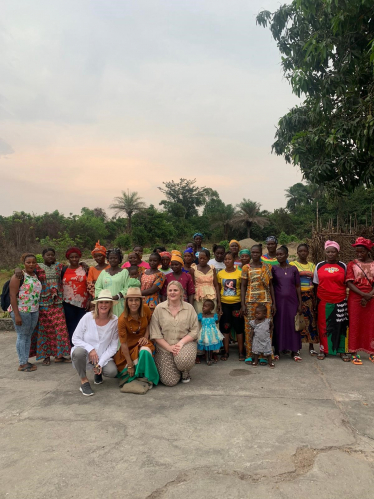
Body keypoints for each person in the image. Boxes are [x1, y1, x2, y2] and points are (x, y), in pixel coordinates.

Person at [24, 248, 71, 365]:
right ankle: (46, 356)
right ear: (43, 256)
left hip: (57, 302)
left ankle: (59, 355)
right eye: (47, 255)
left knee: (60, 329)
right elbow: (25, 271)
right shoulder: (37, 267)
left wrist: (83, 264)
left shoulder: (60, 266)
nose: (50, 257)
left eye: (52, 255)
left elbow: (73, 266)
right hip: (43, 303)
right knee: (44, 330)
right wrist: (17, 270)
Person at [71, 290, 119, 397]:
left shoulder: (114, 321)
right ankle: (84, 381)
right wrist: (90, 349)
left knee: (112, 372)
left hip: (102, 355)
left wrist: (100, 363)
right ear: (97, 304)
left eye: (106, 302)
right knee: (78, 353)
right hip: (86, 353)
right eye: (101, 302)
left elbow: (113, 346)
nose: (103, 305)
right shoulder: (87, 317)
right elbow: (75, 338)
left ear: (111, 305)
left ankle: (98, 371)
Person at [150, 281, 199, 386]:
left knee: (183, 361)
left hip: (184, 344)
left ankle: (184, 371)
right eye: (170, 290)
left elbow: (195, 330)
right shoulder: (159, 308)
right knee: (170, 382)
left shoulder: (189, 308)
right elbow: (155, 332)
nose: (172, 293)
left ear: (181, 292)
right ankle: (176, 368)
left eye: (175, 290)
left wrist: (180, 343)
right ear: (167, 292)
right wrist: (169, 348)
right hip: (164, 346)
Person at [114, 280, 159, 393]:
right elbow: (123, 343)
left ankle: (149, 378)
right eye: (131, 300)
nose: (134, 303)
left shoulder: (146, 309)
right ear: (127, 302)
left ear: (140, 301)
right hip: (128, 348)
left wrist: (146, 336)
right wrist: (129, 365)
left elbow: (148, 323)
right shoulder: (122, 320)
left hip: (142, 342)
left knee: (145, 351)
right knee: (127, 372)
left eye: (136, 300)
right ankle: (138, 374)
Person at [314, 241, 350, 361]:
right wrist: (316, 301)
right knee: (324, 326)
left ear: (337, 252)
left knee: (341, 325)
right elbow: (316, 284)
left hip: (340, 300)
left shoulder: (343, 266)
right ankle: (324, 350)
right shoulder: (318, 266)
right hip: (323, 301)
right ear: (325, 252)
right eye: (328, 251)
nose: (330, 254)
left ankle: (342, 351)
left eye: (333, 251)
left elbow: (346, 282)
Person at [241, 244, 275, 364]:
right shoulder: (246, 267)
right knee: (250, 328)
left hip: (265, 301)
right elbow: (243, 285)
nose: (255, 254)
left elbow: (270, 286)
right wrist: (243, 305)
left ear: (261, 253)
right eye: (253, 252)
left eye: (257, 252)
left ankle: (264, 355)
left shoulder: (267, 267)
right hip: (250, 302)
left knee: (266, 329)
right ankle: (250, 354)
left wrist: (273, 304)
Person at [8, 253, 42, 372]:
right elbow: (12, 296)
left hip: (33, 310)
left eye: (33, 262)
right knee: (22, 336)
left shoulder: (35, 275)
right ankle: (22, 363)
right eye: (28, 262)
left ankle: (25, 360)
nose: (31, 264)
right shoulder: (18, 276)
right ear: (24, 263)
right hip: (21, 311)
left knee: (28, 336)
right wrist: (16, 315)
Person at [346, 237, 374, 364]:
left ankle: (371, 350)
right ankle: (353, 351)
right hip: (355, 297)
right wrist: (363, 294)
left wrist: (369, 295)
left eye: (362, 251)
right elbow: (349, 283)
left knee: (370, 324)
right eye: (357, 252)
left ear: (368, 251)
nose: (359, 254)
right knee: (355, 323)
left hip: (371, 297)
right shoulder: (352, 264)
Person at [272, 246, 303, 361]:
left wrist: (300, 303)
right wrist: (273, 303)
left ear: (287, 255)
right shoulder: (274, 269)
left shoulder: (293, 269)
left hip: (292, 302)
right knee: (278, 324)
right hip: (279, 302)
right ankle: (277, 350)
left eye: (281, 254)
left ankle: (294, 350)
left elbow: (298, 286)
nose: (279, 256)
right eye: (277, 254)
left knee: (292, 324)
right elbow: (272, 286)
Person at [290, 244, 319, 355]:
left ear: (308, 252)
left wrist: (315, 298)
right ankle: (297, 346)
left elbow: (315, 283)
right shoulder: (292, 265)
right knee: (297, 320)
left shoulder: (313, 266)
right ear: (297, 252)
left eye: (305, 251)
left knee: (311, 321)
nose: (303, 253)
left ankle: (311, 346)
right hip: (297, 296)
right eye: (300, 251)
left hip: (310, 296)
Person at [217, 252, 245, 361]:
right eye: (225, 259)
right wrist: (219, 304)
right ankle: (226, 351)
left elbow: (242, 289)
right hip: (225, 305)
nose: (227, 261)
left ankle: (241, 352)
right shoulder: (220, 274)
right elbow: (218, 290)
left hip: (236, 304)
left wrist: (243, 304)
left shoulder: (240, 273)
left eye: (229, 259)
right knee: (225, 327)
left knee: (239, 328)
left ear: (234, 260)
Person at [63, 247, 90, 345]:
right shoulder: (63, 269)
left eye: (76, 257)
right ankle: (73, 348)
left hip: (83, 303)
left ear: (79, 257)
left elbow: (90, 285)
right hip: (67, 303)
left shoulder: (85, 269)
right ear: (68, 258)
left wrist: (89, 300)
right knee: (71, 326)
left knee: (83, 327)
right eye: (72, 257)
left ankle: (84, 347)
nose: (74, 259)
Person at [95, 248, 130, 317]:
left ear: (119, 259)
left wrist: (117, 296)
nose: (113, 260)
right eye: (111, 258)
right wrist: (105, 297)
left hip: (120, 304)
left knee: (119, 323)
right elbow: (97, 287)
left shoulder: (124, 272)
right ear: (108, 259)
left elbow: (127, 287)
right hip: (105, 305)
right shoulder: (103, 273)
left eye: (115, 258)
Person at [190, 249, 221, 315]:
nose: (202, 260)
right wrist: (191, 302)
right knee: (199, 316)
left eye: (204, 258)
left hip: (211, 296)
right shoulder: (193, 269)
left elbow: (216, 285)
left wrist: (219, 302)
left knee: (212, 316)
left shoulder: (212, 269)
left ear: (208, 259)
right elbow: (192, 286)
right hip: (199, 297)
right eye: (200, 258)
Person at [197, 299, 223, 365]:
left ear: (211, 308)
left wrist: (219, 316)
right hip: (204, 333)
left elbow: (217, 322)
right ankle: (207, 359)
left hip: (212, 333)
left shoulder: (214, 315)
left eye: (205, 306)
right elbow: (195, 320)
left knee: (210, 347)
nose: (203, 307)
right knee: (206, 346)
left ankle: (210, 358)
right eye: (203, 306)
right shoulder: (201, 315)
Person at [250, 304, 275, 368]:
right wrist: (251, 337)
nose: (256, 314)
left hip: (266, 340)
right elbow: (252, 330)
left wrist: (270, 330)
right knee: (256, 352)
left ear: (264, 314)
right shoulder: (254, 322)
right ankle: (255, 361)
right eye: (256, 313)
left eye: (258, 313)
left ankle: (270, 362)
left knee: (268, 352)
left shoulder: (268, 321)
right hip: (257, 339)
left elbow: (272, 326)